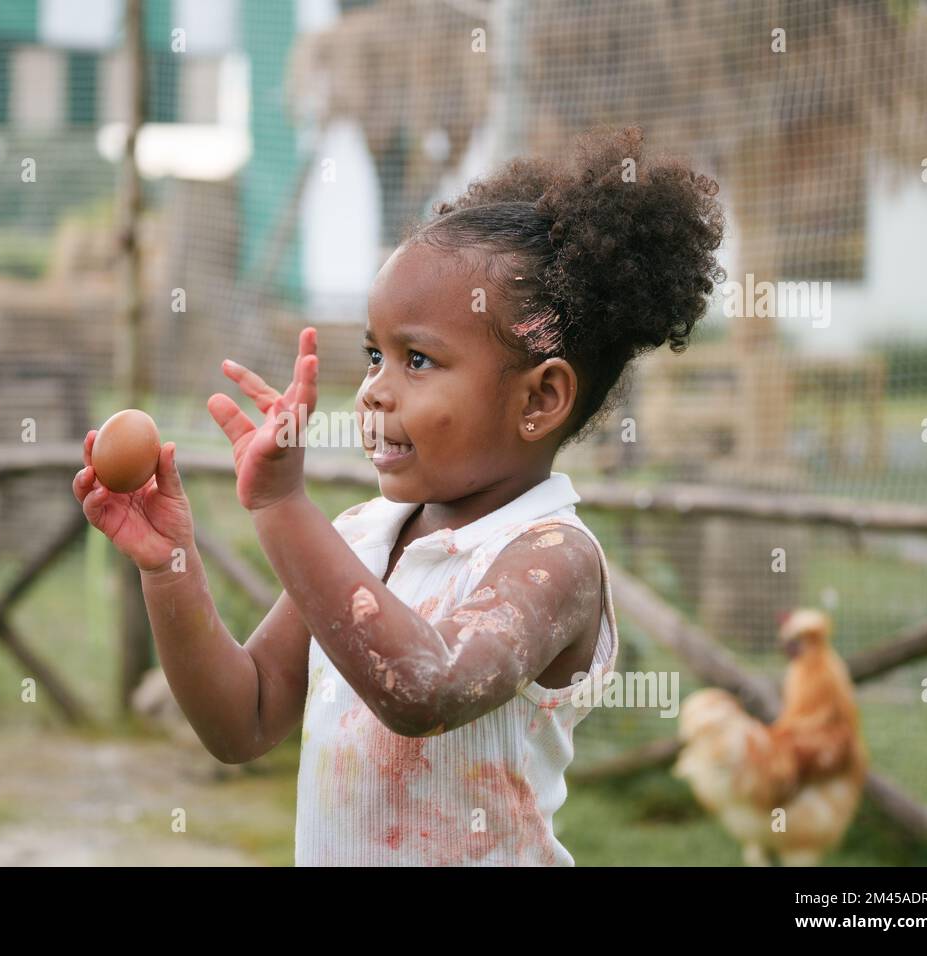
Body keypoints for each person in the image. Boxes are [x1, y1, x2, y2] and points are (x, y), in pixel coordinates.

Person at [74, 126, 726, 865]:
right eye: (374, 355)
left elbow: (427, 689)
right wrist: (170, 567)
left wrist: (282, 508)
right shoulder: (362, 538)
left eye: (417, 359)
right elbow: (243, 719)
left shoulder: (552, 558)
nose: (376, 390)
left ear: (540, 398)